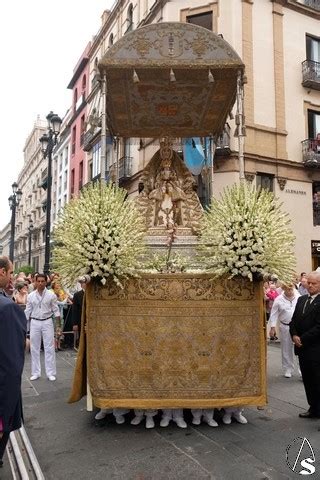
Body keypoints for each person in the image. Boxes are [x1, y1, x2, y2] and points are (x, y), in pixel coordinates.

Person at [0, 257, 27, 468]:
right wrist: (5, 415)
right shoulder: (7, 309)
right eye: (10, 273)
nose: (11, 277)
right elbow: (12, 365)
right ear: (2, 272)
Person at [289, 271, 320, 418]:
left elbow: (319, 327)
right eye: (309, 283)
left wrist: (303, 338)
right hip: (302, 348)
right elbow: (293, 320)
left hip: (315, 348)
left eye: (314, 283)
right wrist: (294, 335)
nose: (311, 286)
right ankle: (313, 407)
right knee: (307, 380)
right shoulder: (301, 299)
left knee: (317, 380)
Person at [25, 273, 61, 382]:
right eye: (38, 281)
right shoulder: (30, 295)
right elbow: (27, 311)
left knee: (49, 347)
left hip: (47, 322)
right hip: (35, 322)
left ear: (46, 282)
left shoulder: (51, 295)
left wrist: (58, 327)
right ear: (35, 282)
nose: (40, 283)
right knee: (34, 348)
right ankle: (36, 372)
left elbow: (56, 311)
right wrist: (22, 324)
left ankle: (50, 372)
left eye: (42, 281)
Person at [269, 283, 300, 378]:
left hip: (298, 326)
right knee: (286, 348)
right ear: (283, 289)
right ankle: (288, 368)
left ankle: (302, 370)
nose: (290, 292)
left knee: (300, 347)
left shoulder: (299, 297)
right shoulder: (278, 300)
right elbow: (274, 314)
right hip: (285, 325)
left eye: (291, 289)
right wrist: (273, 327)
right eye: (287, 290)